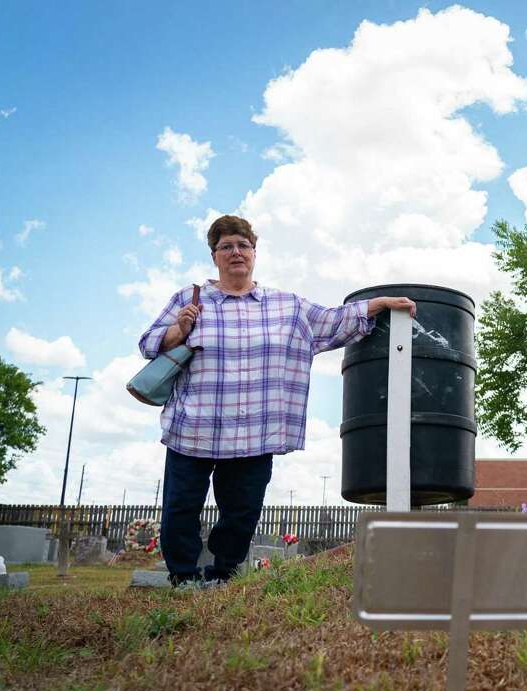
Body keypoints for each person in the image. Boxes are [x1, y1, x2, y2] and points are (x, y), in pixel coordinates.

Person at [138, 215, 415, 588]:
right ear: (214, 256)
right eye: (226, 246)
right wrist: (180, 328)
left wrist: (378, 303)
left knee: (241, 511)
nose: (235, 252)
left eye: (243, 245)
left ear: (254, 252)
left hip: (255, 428)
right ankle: (183, 577)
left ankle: (223, 574)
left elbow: (332, 321)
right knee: (180, 506)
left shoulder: (287, 306)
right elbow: (148, 343)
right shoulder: (190, 300)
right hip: (195, 425)